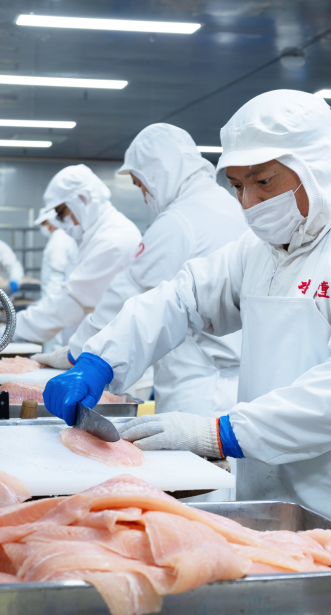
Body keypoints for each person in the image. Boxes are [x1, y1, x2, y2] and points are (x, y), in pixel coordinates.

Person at [43, 90, 331, 615]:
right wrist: (101, 358)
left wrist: (220, 432)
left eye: (263, 182)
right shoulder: (264, 247)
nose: (249, 202)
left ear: (317, 166)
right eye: (237, 185)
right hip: (276, 507)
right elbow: (182, 297)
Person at [38, 124, 248, 417]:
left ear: (158, 174)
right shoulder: (231, 205)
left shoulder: (179, 220)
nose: (145, 195)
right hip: (239, 385)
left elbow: (127, 295)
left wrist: (79, 352)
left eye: (141, 185)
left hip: (198, 388)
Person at [13, 165, 141, 346]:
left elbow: (72, 301)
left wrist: (7, 330)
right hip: (93, 347)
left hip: (107, 350)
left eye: (61, 213)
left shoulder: (114, 239)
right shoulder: (95, 235)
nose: (61, 222)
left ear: (82, 200)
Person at [35, 211, 80, 352]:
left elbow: (57, 274)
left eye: (44, 223)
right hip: (62, 296)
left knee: (54, 337)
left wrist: (49, 300)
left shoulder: (58, 240)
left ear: (51, 223)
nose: (43, 227)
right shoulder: (63, 237)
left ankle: (51, 363)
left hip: (56, 296)